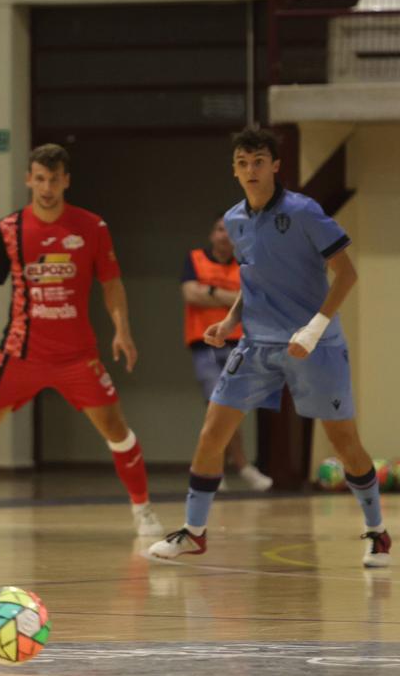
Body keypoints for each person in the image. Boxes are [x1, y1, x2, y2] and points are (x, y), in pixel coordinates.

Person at [149, 126, 389, 567]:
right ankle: (193, 532)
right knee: (211, 435)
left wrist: (314, 330)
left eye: (259, 161)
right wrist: (229, 321)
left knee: (345, 444)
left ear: (275, 166)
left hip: (315, 345)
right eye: (242, 162)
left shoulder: (305, 212)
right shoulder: (235, 220)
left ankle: (377, 532)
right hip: (257, 345)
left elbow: (347, 274)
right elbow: (252, 279)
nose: (251, 169)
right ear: (234, 169)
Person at [0, 144, 164, 537]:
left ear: (66, 181)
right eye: (40, 178)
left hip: (77, 355)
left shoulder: (92, 228)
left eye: (54, 179)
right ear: (28, 179)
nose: (47, 187)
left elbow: (111, 283)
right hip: (21, 352)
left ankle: (143, 511)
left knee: (114, 426)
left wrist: (121, 329)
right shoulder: (10, 229)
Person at [180, 216, 271, 491]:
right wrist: (230, 296)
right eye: (220, 229)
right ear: (212, 234)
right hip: (205, 342)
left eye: (231, 232)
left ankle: (223, 467)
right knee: (215, 404)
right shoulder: (195, 259)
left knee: (231, 407)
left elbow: (253, 300)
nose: (224, 236)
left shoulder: (246, 266)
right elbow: (190, 294)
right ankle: (230, 467)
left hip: (240, 342)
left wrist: (210, 292)